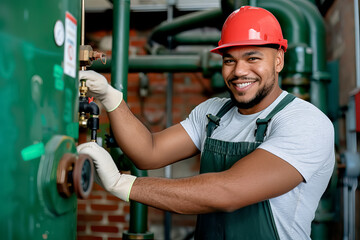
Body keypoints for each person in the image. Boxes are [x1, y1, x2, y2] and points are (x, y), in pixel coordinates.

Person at [78, 6, 335, 240]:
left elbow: (228, 192)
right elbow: (149, 152)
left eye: (253, 58)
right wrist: (111, 98)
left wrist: (122, 184)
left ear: (278, 60)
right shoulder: (214, 112)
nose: (239, 71)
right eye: (229, 60)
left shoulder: (305, 122)